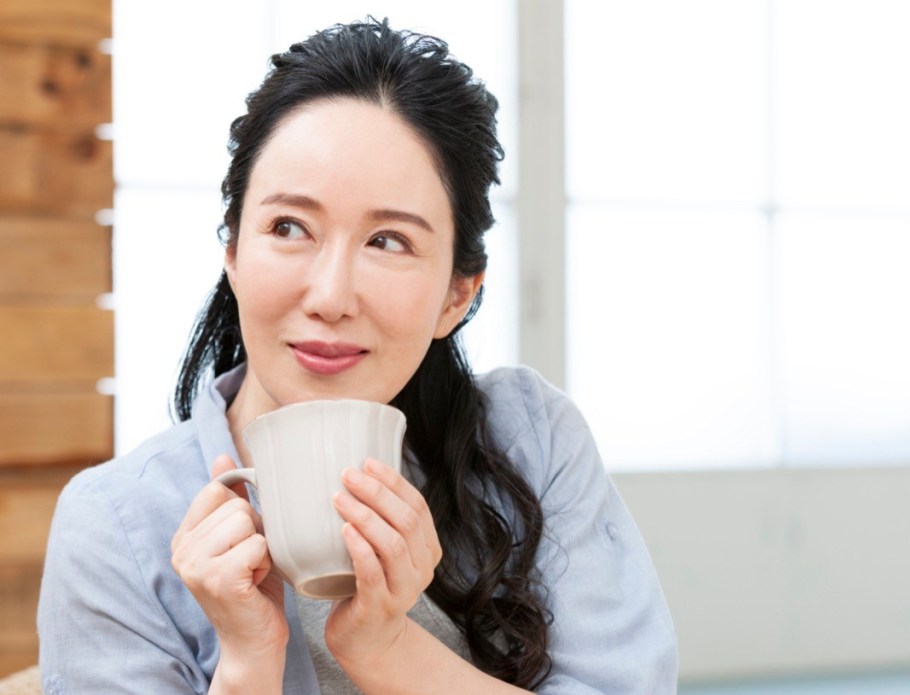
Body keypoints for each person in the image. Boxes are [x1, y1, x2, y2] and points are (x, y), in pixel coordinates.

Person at [37, 18, 678, 694]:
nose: (331, 295)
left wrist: (387, 647)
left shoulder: (531, 439)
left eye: (389, 241)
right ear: (231, 251)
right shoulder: (115, 526)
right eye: (288, 227)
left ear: (456, 295)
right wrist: (247, 664)